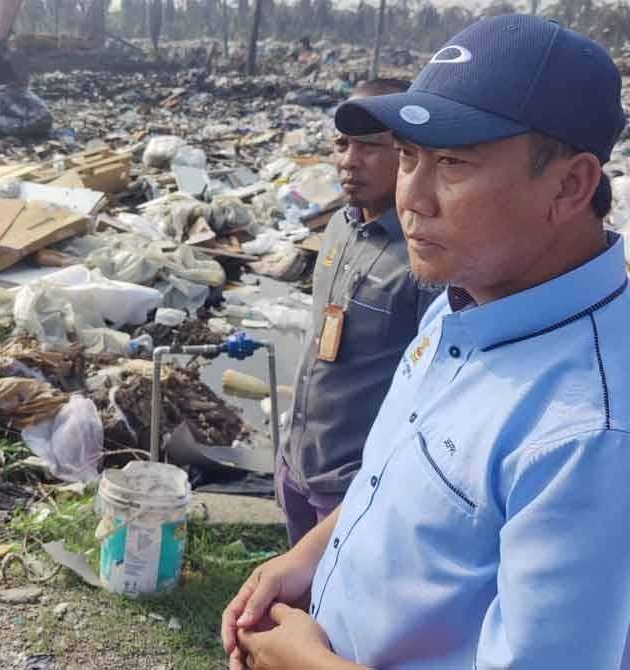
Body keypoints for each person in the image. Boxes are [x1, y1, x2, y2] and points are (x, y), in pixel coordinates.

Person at [223, 14, 630, 669]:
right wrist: (306, 557)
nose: (413, 197)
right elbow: (399, 485)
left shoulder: (591, 433)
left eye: (453, 163)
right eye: (409, 156)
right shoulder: (460, 305)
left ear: (570, 186)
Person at [279, 77, 440, 547]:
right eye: (342, 144)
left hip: (354, 485)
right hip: (298, 462)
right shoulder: (336, 227)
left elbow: (428, 392)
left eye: (369, 147)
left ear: (409, 154)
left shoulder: (424, 255)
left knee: (337, 614)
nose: (349, 160)